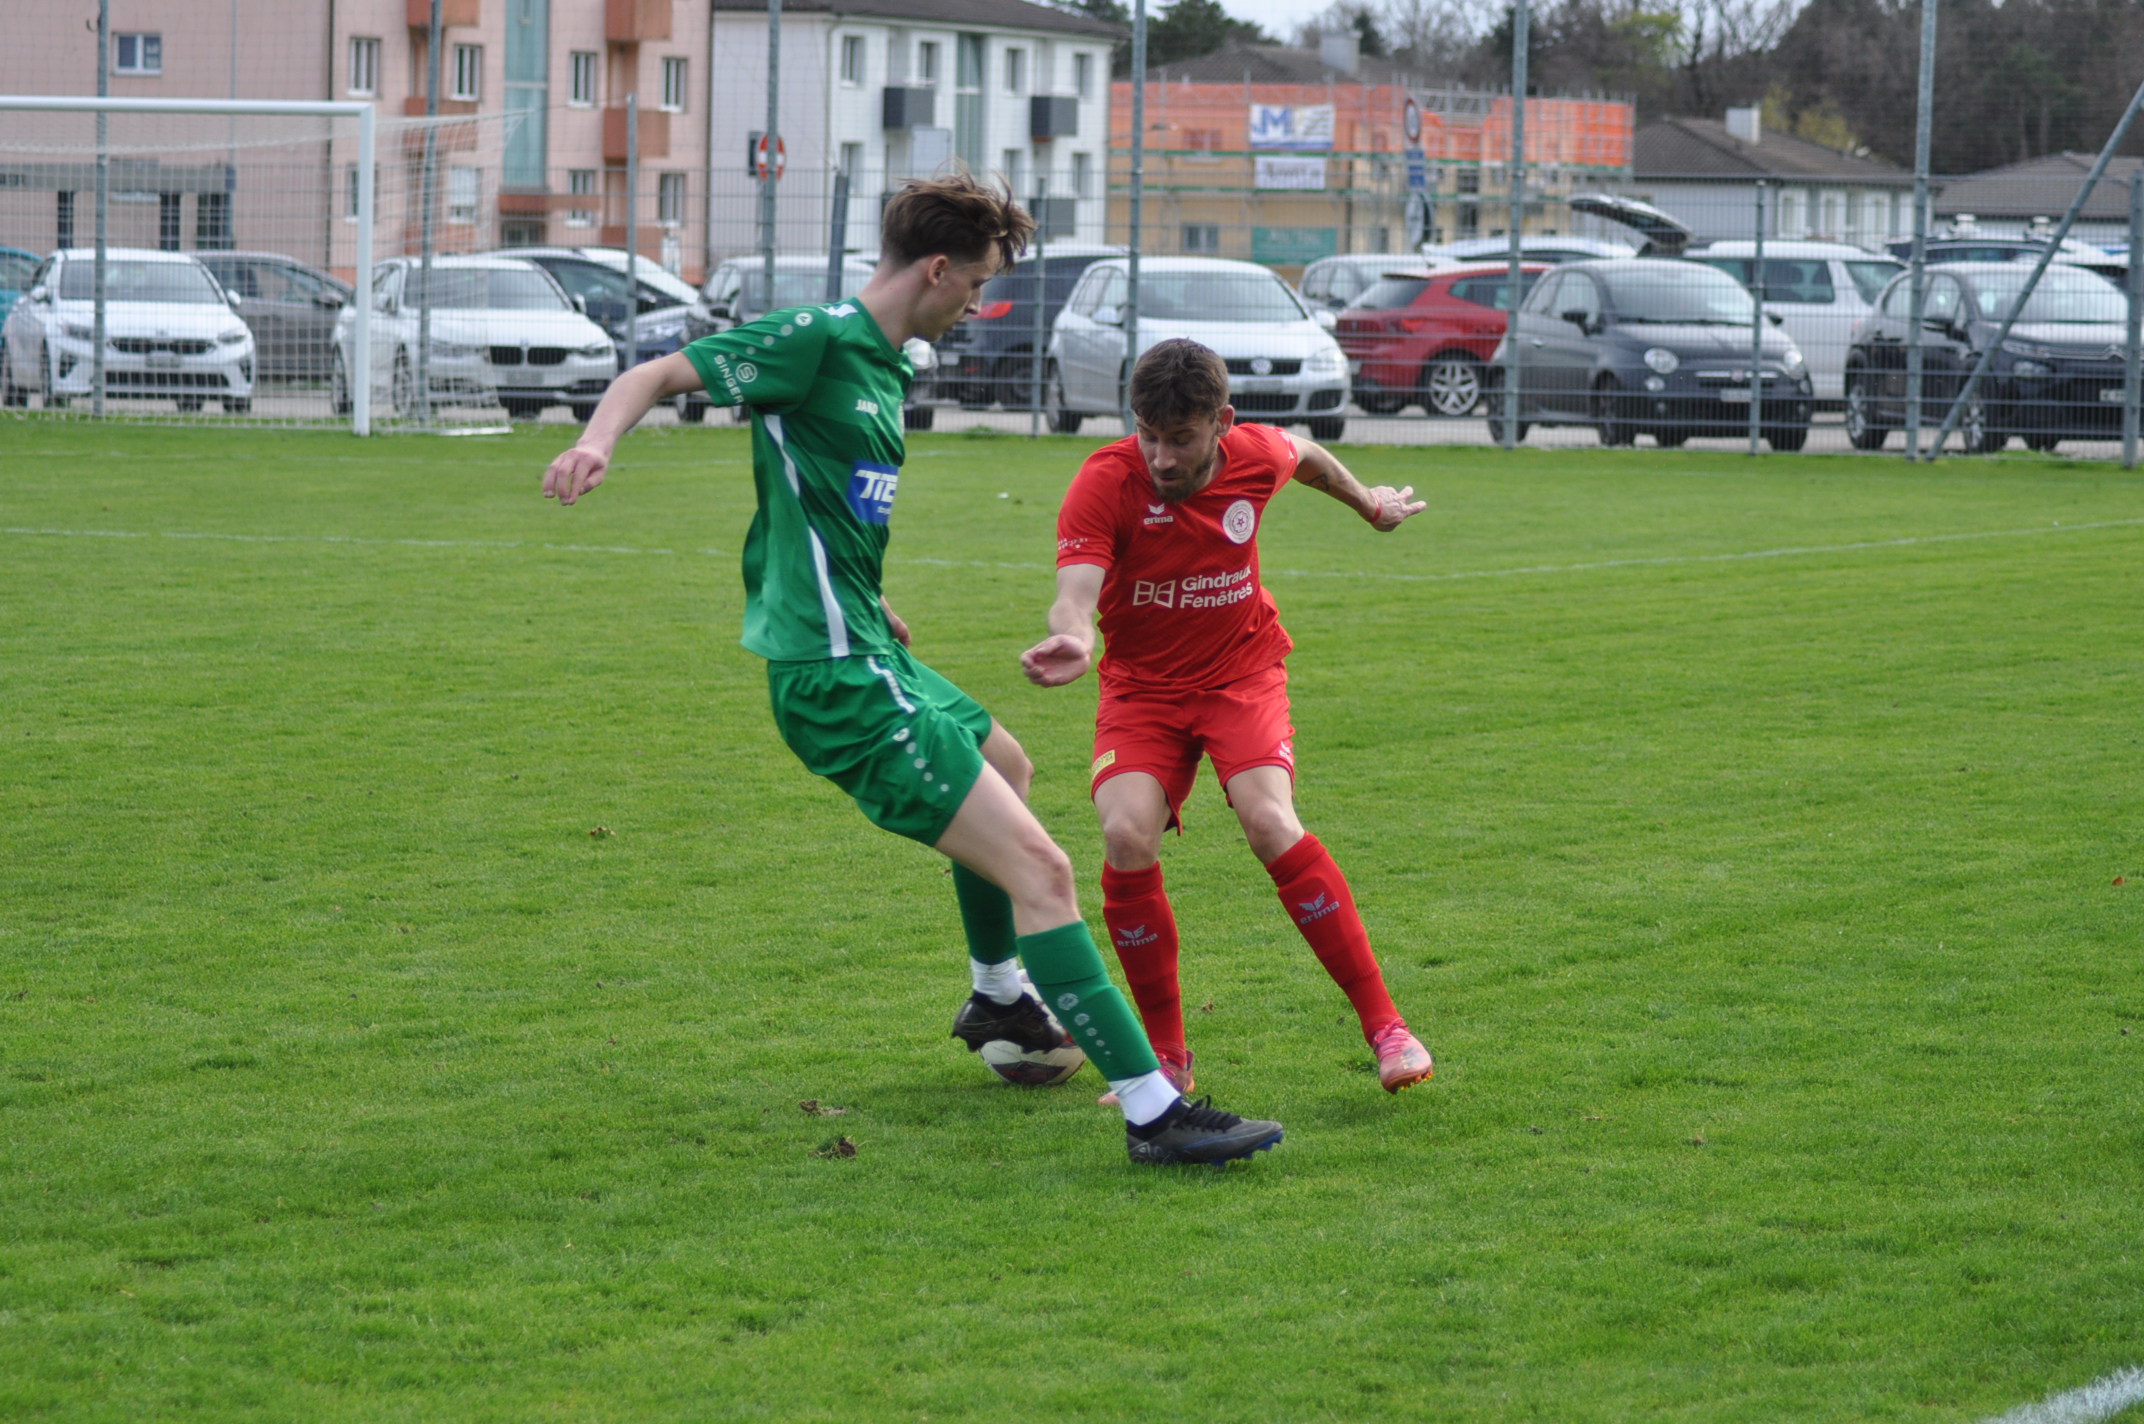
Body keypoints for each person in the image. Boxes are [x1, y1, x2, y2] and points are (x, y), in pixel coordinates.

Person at [540, 176, 1282, 1166]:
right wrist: (595, 440)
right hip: (838, 676)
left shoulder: (887, 367)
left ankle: (997, 994)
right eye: (973, 283)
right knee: (1044, 869)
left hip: (867, 645)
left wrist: (863, 591)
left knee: (1005, 762)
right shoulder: (816, 339)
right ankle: (1154, 1107)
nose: (975, 304)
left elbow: (819, 510)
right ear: (935, 268)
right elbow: (658, 374)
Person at [1020, 338, 1435, 1099]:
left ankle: (1387, 1027)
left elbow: (1307, 453)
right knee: (1123, 833)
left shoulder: (1256, 453)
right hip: (1142, 688)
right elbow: (1075, 593)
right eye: (1147, 433)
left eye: (1179, 438)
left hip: (1240, 674)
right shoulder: (1105, 482)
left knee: (1270, 821)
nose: (1162, 457)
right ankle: (1167, 1057)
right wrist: (1075, 638)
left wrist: (1371, 505)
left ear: (1222, 423)